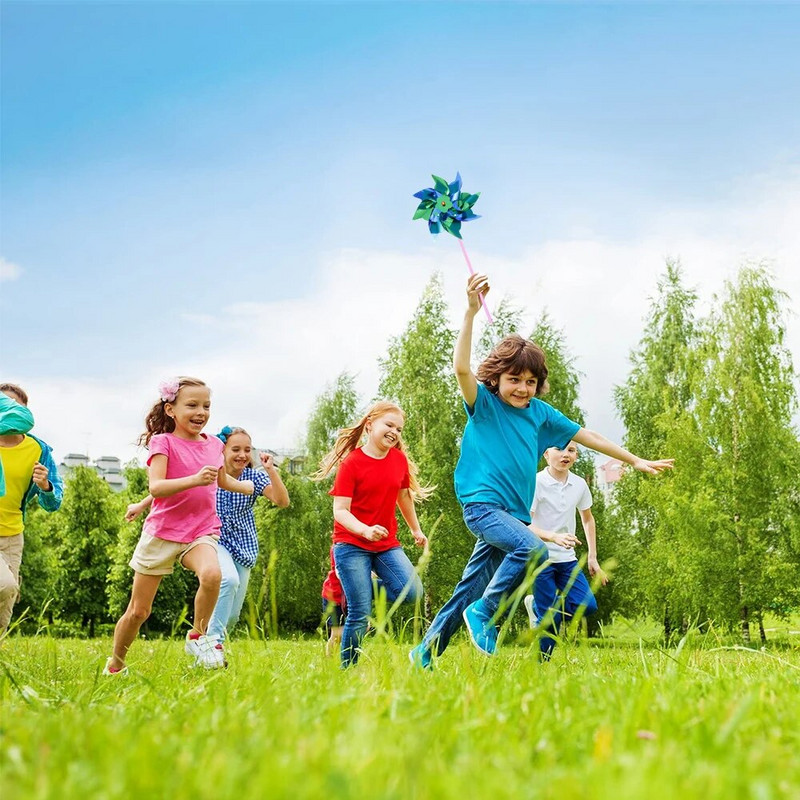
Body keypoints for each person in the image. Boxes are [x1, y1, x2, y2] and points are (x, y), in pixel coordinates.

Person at [409, 274, 673, 668]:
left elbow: (588, 435)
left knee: (471, 587)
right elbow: (461, 369)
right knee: (531, 550)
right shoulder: (484, 405)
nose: (522, 388)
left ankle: (424, 652)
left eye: (530, 381)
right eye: (514, 379)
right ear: (495, 379)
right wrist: (470, 312)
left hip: (511, 515)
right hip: (483, 506)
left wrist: (634, 459)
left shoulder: (540, 414)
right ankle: (484, 615)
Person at [104, 377, 255, 674]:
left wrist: (248, 487)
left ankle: (199, 637)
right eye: (193, 405)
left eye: (206, 406)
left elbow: (220, 479)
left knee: (213, 575)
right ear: (171, 410)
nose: (201, 412)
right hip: (162, 533)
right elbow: (158, 487)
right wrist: (195, 479)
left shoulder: (214, 444)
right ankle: (116, 663)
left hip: (201, 529)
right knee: (139, 611)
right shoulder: (163, 443)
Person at [125, 425, 290, 645]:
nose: (242, 455)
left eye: (247, 450)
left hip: (243, 545)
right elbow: (176, 490)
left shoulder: (254, 477)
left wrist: (271, 469)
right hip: (212, 536)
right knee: (227, 580)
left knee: (231, 616)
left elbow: (282, 501)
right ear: (222, 451)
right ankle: (207, 644)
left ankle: (210, 641)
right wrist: (143, 504)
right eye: (236, 449)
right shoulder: (208, 472)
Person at [314, 401, 430, 667]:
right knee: (359, 612)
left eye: (399, 429)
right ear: (369, 425)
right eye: (389, 425)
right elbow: (340, 511)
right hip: (351, 544)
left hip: (385, 544)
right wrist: (365, 530)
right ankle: (348, 668)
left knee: (412, 592)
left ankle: (363, 588)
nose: (394, 432)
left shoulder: (398, 460)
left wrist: (415, 529)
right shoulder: (351, 464)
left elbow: (403, 496)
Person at [522, 441, 607, 659]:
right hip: (541, 558)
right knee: (548, 621)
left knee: (586, 605)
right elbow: (525, 524)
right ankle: (541, 664)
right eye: (559, 449)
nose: (565, 454)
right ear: (546, 454)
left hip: (567, 560)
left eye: (571, 450)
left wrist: (593, 557)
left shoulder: (579, 485)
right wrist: (554, 536)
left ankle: (540, 609)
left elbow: (588, 520)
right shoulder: (536, 482)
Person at [0, 383, 63, 636]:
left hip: (13, 536)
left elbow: (53, 503)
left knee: (8, 595)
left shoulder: (39, 450)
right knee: (4, 585)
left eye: (15, 405)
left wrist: (45, 485)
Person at [321, 547, 346, 657]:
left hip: (349, 597)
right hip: (333, 596)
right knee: (335, 636)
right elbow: (339, 572)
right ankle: (329, 663)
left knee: (364, 626)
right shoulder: (338, 547)